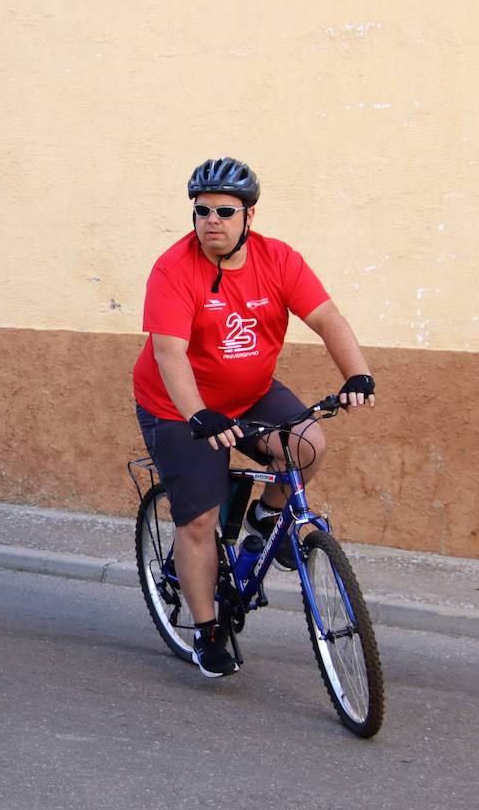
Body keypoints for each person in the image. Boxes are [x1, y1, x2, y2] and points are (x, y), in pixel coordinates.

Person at [132, 157, 376, 679]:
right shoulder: (174, 269)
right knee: (199, 517)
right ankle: (208, 630)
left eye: (224, 211)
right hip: (179, 406)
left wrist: (357, 375)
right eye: (201, 211)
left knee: (309, 445)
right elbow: (170, 353)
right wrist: (197, 414)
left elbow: (327, 318)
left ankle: (266, 518)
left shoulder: (279, 260)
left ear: (249, 216)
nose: (211, 221)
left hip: (252, 393)